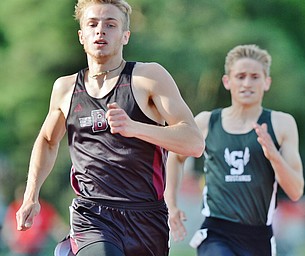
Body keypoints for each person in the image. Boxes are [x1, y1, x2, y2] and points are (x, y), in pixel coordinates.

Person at [15, 0, 205, 256]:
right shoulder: (65, 88)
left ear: (125, 35)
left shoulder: (148, 78)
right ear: (82, 36)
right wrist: (31, 196)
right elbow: (48, 141)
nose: (100, 30)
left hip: (146, 218)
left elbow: (193, 142)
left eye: (110, 24)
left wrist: (135, 127)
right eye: (92, 24)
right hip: (92, 213)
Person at [165, 44, 304, 256]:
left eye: (255, 77)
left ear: (266, 82)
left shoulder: (282, 124)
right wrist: (172, 204)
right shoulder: (206, 122)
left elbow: (295, 191)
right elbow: (175, 156)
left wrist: (273, 155)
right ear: (227, 81)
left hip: (259, 238)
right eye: (240, 76)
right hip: (216, 233)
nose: (247, 83)